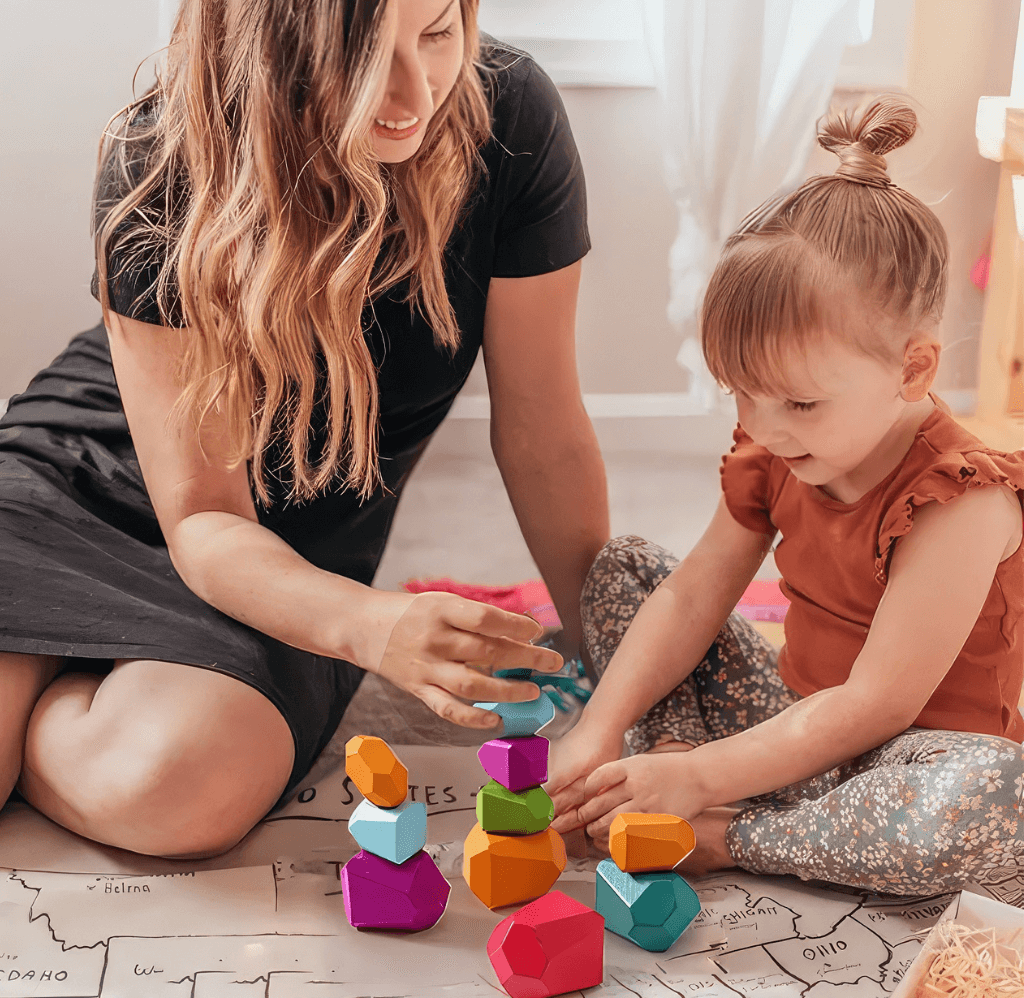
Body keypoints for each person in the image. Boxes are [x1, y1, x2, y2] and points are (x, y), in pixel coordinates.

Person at [0, 0, 608, 858]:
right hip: (96, 485)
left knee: (172, 789)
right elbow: (203, 515)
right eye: (363, 54)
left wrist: (609, 657)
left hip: (284, 553)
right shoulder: (162, 152)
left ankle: (43, 688)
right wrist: (372, 624)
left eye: (436, 33)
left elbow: (544, 431)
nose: (413, 92)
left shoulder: (510, 117)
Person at [548, 98, 1024, 907]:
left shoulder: (961, 499)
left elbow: (878, 704)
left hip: (907, 763)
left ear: (912, 370)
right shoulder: (774, 447)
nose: (762, 426)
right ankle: (660, 768)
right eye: (741, 393)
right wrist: (596, 728)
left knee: (1001, 802)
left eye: (799, 404)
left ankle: (730, 834)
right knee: (628, 567)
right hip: (790, 723)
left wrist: (702, 778)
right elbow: (695, 593)